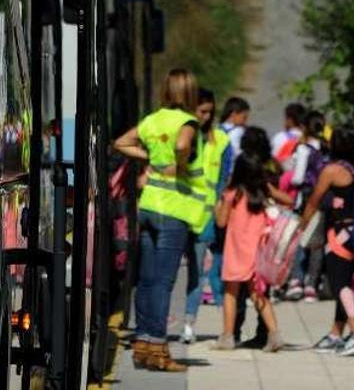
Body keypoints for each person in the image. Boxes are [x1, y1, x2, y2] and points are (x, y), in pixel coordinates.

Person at [113, 68, 204, 372]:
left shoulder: (153, 120)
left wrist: (150, 159)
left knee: (146, 279)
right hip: (173, 210)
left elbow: (121, 143)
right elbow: (181, 146)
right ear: (189, 92)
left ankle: (141, 344)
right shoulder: (187, 123)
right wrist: (174, 162)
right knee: (164, 282)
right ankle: (159, 351)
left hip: (149, 206)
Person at [300, 126, 354, 356]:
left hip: (339, 234)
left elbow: (314, 200)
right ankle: (335, 333)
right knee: (345, 282)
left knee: (339, 284)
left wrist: (301, 226)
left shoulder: (332, 170)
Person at [212, 153, 285, 353]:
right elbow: (288, 199)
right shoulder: (262, 192)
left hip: (236, 250)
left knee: (230, 293)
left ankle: (227, 337)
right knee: (257, 295)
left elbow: (221, 222)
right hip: (258, 251)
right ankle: (274, 334)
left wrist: (217, 204)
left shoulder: (232, 193)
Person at [182, 89, 231, 344]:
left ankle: (189, 324)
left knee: (198, 272)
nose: (206, 116)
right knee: (168, 273)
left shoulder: (220, 139)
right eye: (202, 111)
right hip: (177, 211)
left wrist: (221, 207)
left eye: (210, 112)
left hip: (204, 216)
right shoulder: (182, 134)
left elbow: (225, 176)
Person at [285, 111, 328, 303]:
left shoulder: (303, 149)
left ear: (304, 127)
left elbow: (298, 178)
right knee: (317, 242)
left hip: (306, 197)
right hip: (324, 198)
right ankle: (312, 284)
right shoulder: (326, 148)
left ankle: (296, 281)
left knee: (300, 237)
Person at [271, 103, 306, 168]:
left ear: (289, 120)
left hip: (283, 175)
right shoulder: (308, 138)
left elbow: (274, 160)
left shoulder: (279, 137)